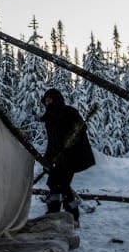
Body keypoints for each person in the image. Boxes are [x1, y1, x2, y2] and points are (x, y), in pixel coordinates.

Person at [41, 88, 95, 227]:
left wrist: (68, 142)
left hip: (73, 156)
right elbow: (52, 141)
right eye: (46, 101)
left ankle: (71, 217)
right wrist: (47, 159)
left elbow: (80, 129)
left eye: (50, 100)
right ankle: (56, 214)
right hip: (59, 158)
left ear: (56, 99)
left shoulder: (69, 112)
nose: (47, 103)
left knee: (61, 184)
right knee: (55, 184)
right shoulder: (49, 118)